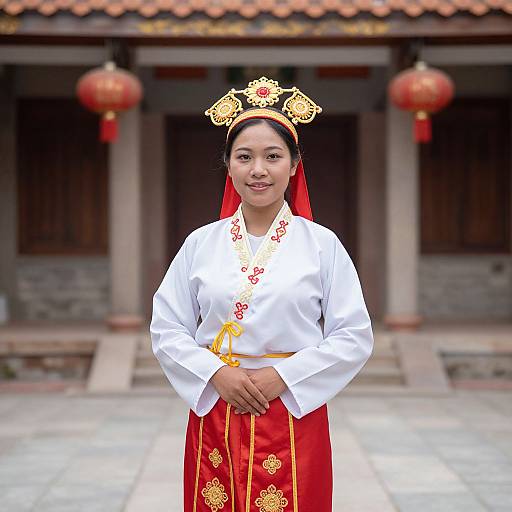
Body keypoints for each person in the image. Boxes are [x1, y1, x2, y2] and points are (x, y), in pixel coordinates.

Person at [150, 77, 374, 512]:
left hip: (292, 410)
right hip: (217, 407)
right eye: (244, 157)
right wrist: (215, 374)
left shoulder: (322, 244)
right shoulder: (200, 243)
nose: (258, 170)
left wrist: (285, 377)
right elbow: (167, 326)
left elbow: (354, 335)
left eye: (273, 157)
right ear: (229, 166)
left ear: (293, 166)